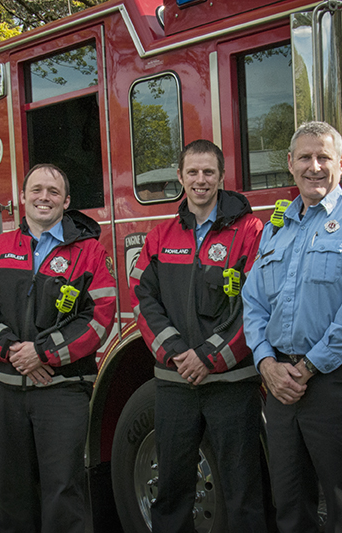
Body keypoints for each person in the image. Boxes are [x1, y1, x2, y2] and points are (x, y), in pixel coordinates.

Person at [242, 121, 342, 533]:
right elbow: (253, 301)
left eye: (324, 157)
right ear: (290, 164)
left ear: (341, 162)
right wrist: (266, 364)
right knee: (290, 507)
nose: (315, 167)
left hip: (338, 381)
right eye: (305, 157)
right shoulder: (276, 227)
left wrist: (308, 368)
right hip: (281, 384)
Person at [0, 164, 117, 532]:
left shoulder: (90, 252)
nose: (43, 197)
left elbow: (99, 318)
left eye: (53, 191)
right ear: (22, 197)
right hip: (5, 391)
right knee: (14, 493)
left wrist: (42, 353)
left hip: (62, 392)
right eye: (36, 190)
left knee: (63, 492)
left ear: (66, 201)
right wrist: (15, 351)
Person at [130, 139, 267, 533]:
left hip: (232, 384)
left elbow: (257, 303)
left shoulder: (251, 231)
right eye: (192, 172)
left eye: (209, 172)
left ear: (222, 177)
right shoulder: (160, 236)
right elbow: (142, 299)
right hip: (175, 383)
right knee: (172, 492)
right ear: (180, 176)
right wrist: (177, 353)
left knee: (243, 492)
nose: (200, 180)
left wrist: (208, 356)